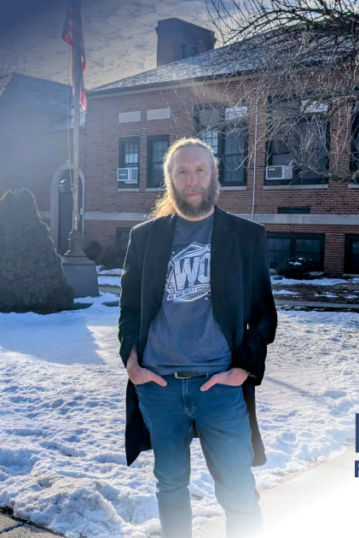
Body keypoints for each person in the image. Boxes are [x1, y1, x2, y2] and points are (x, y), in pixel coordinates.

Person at [118, 137, 278, 537]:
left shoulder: (245, 236)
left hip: (219, 387)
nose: (192, 180)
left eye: (200, 170)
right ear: (169, 178)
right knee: (170, 486)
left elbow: (263, 314)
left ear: (214, 175)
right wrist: (133, 364)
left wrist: (242, 369)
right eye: (182, 171)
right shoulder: (145, 238)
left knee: (239, 492)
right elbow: (130, 311)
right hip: (159, 387)